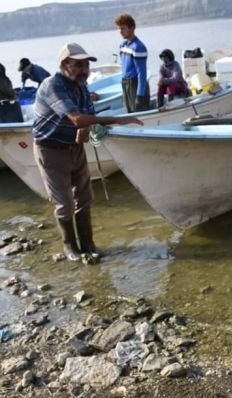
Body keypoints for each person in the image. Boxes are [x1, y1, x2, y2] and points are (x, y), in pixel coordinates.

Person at [32, 43, 143, 262]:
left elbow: (86, 118)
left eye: (86, 65)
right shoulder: (52, 85)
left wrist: (87, 129)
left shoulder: (81, 86)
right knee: (64, 203)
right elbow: (76, 118)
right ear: (64, 65)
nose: (84, 70)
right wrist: (118, 119)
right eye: (78, 65)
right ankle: (70, 247)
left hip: (74, 147)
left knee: (84, 197)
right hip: (50, 149)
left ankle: (89, 244)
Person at [115, 13, 150, 113]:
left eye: (123, 28)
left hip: (135, 84)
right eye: (119, 29)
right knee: (128, 114)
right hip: (125, 83)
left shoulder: (138, 47)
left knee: (138, 115)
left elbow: (142, 74)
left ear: (132, 28)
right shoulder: (123, 45)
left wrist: (140, 96)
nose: (120, 32)